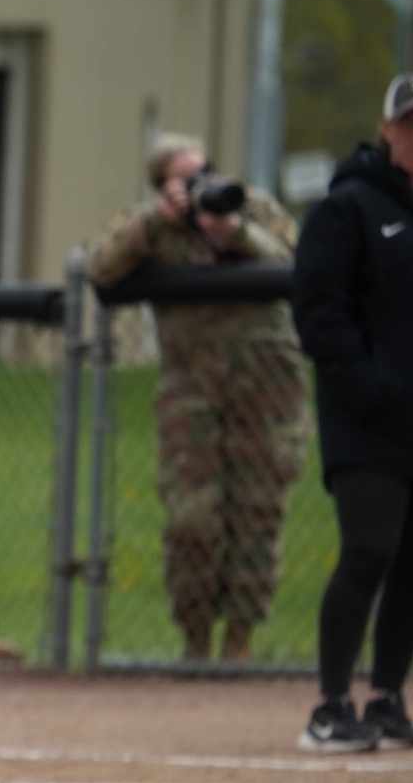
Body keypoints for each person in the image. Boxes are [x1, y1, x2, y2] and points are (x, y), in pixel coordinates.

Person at [86, 133, 310, 661]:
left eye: (205, 171)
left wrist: (237, 234)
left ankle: (240, 642)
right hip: (192, 392)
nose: (201, 186)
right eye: (185, 180)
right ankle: (195, 641)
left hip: (267, 386)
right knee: (193, 520)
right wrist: (158, 220)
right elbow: (101, 266)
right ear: (163, 187)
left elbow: (299, 259)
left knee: (258, 515)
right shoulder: (154, 228)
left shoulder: (252, 207)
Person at [290, 73, 413, 752]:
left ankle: (385, 696)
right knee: (368, 550)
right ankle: (330, 705)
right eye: (407, 123)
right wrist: (365, 383)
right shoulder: (349, 205)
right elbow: (318, 305)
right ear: (384, 130)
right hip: (370, 418)